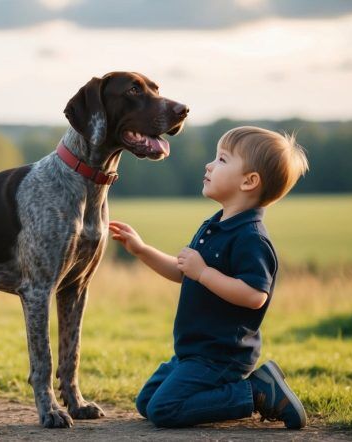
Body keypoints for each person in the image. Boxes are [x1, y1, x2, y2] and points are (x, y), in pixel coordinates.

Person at [109, 126, 309, 429]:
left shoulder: (251, 238)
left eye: (222, 160)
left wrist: (204, 273)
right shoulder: (215, 225)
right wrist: (142, 250)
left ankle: (256, 392)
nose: (209, 165)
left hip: (221, 356)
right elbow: (183, 272)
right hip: (192, 352)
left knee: (165, 410)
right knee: (147, 403)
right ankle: (242, 392)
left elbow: (255, 295)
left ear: (249, 181)